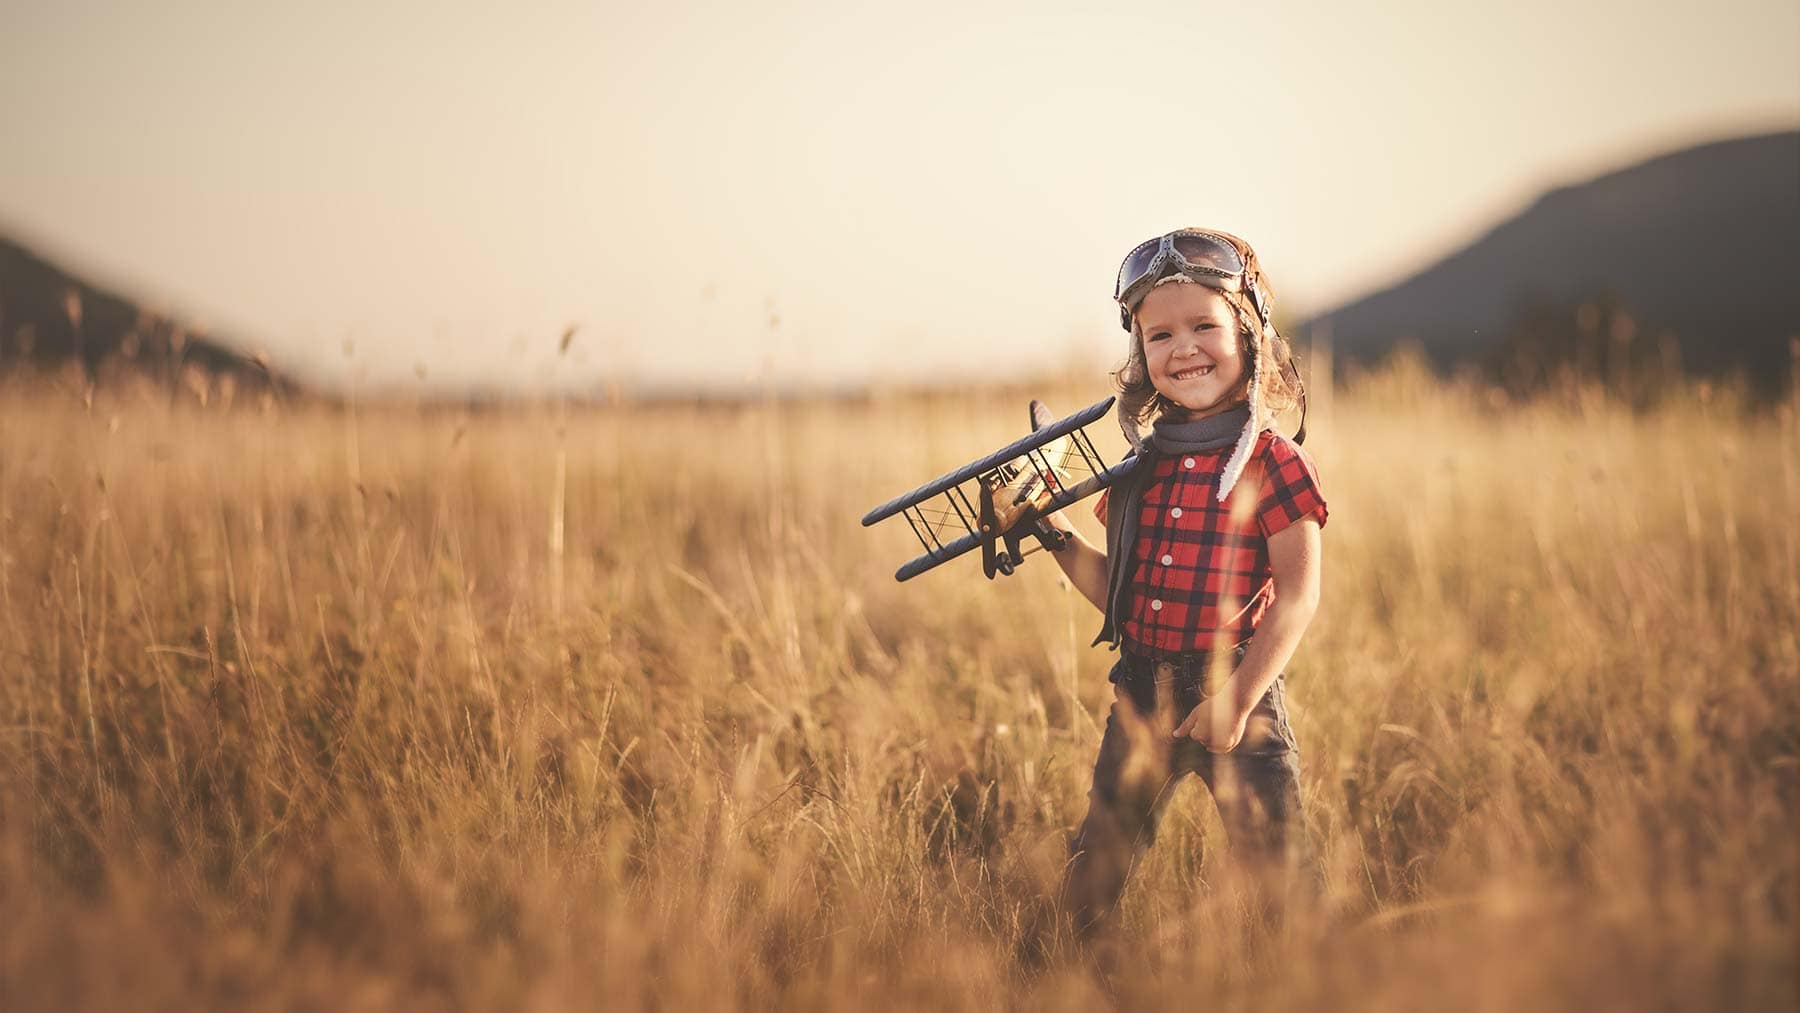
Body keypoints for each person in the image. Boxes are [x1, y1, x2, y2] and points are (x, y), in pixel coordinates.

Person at [1041, 227, 1327, 939]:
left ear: (1250, 333)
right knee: (1095, 867)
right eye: (1159, 333)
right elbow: (1118, 591)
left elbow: (1297, 595)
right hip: (1141, 690)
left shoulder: (1274, 460)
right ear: (1140, 352)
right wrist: (1048, 531)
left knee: (1281, 876)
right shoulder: (1141, 465)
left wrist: (1234, 699)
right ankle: (1063, 978)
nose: (1184, 347)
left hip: (1240, 690)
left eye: (1206, 324)